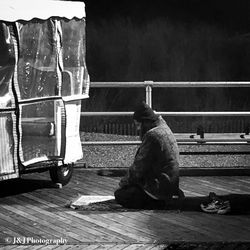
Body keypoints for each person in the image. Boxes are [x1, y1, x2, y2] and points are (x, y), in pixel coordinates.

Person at [114, 101, 184, 209]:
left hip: (158, 189)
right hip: (170, 184)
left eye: (138, 125)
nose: (138, 129)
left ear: (145, 122)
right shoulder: (164, 128)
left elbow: (138, 168)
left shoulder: (152, 135)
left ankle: (155, 203)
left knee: (121, 195)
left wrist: (123, 184)